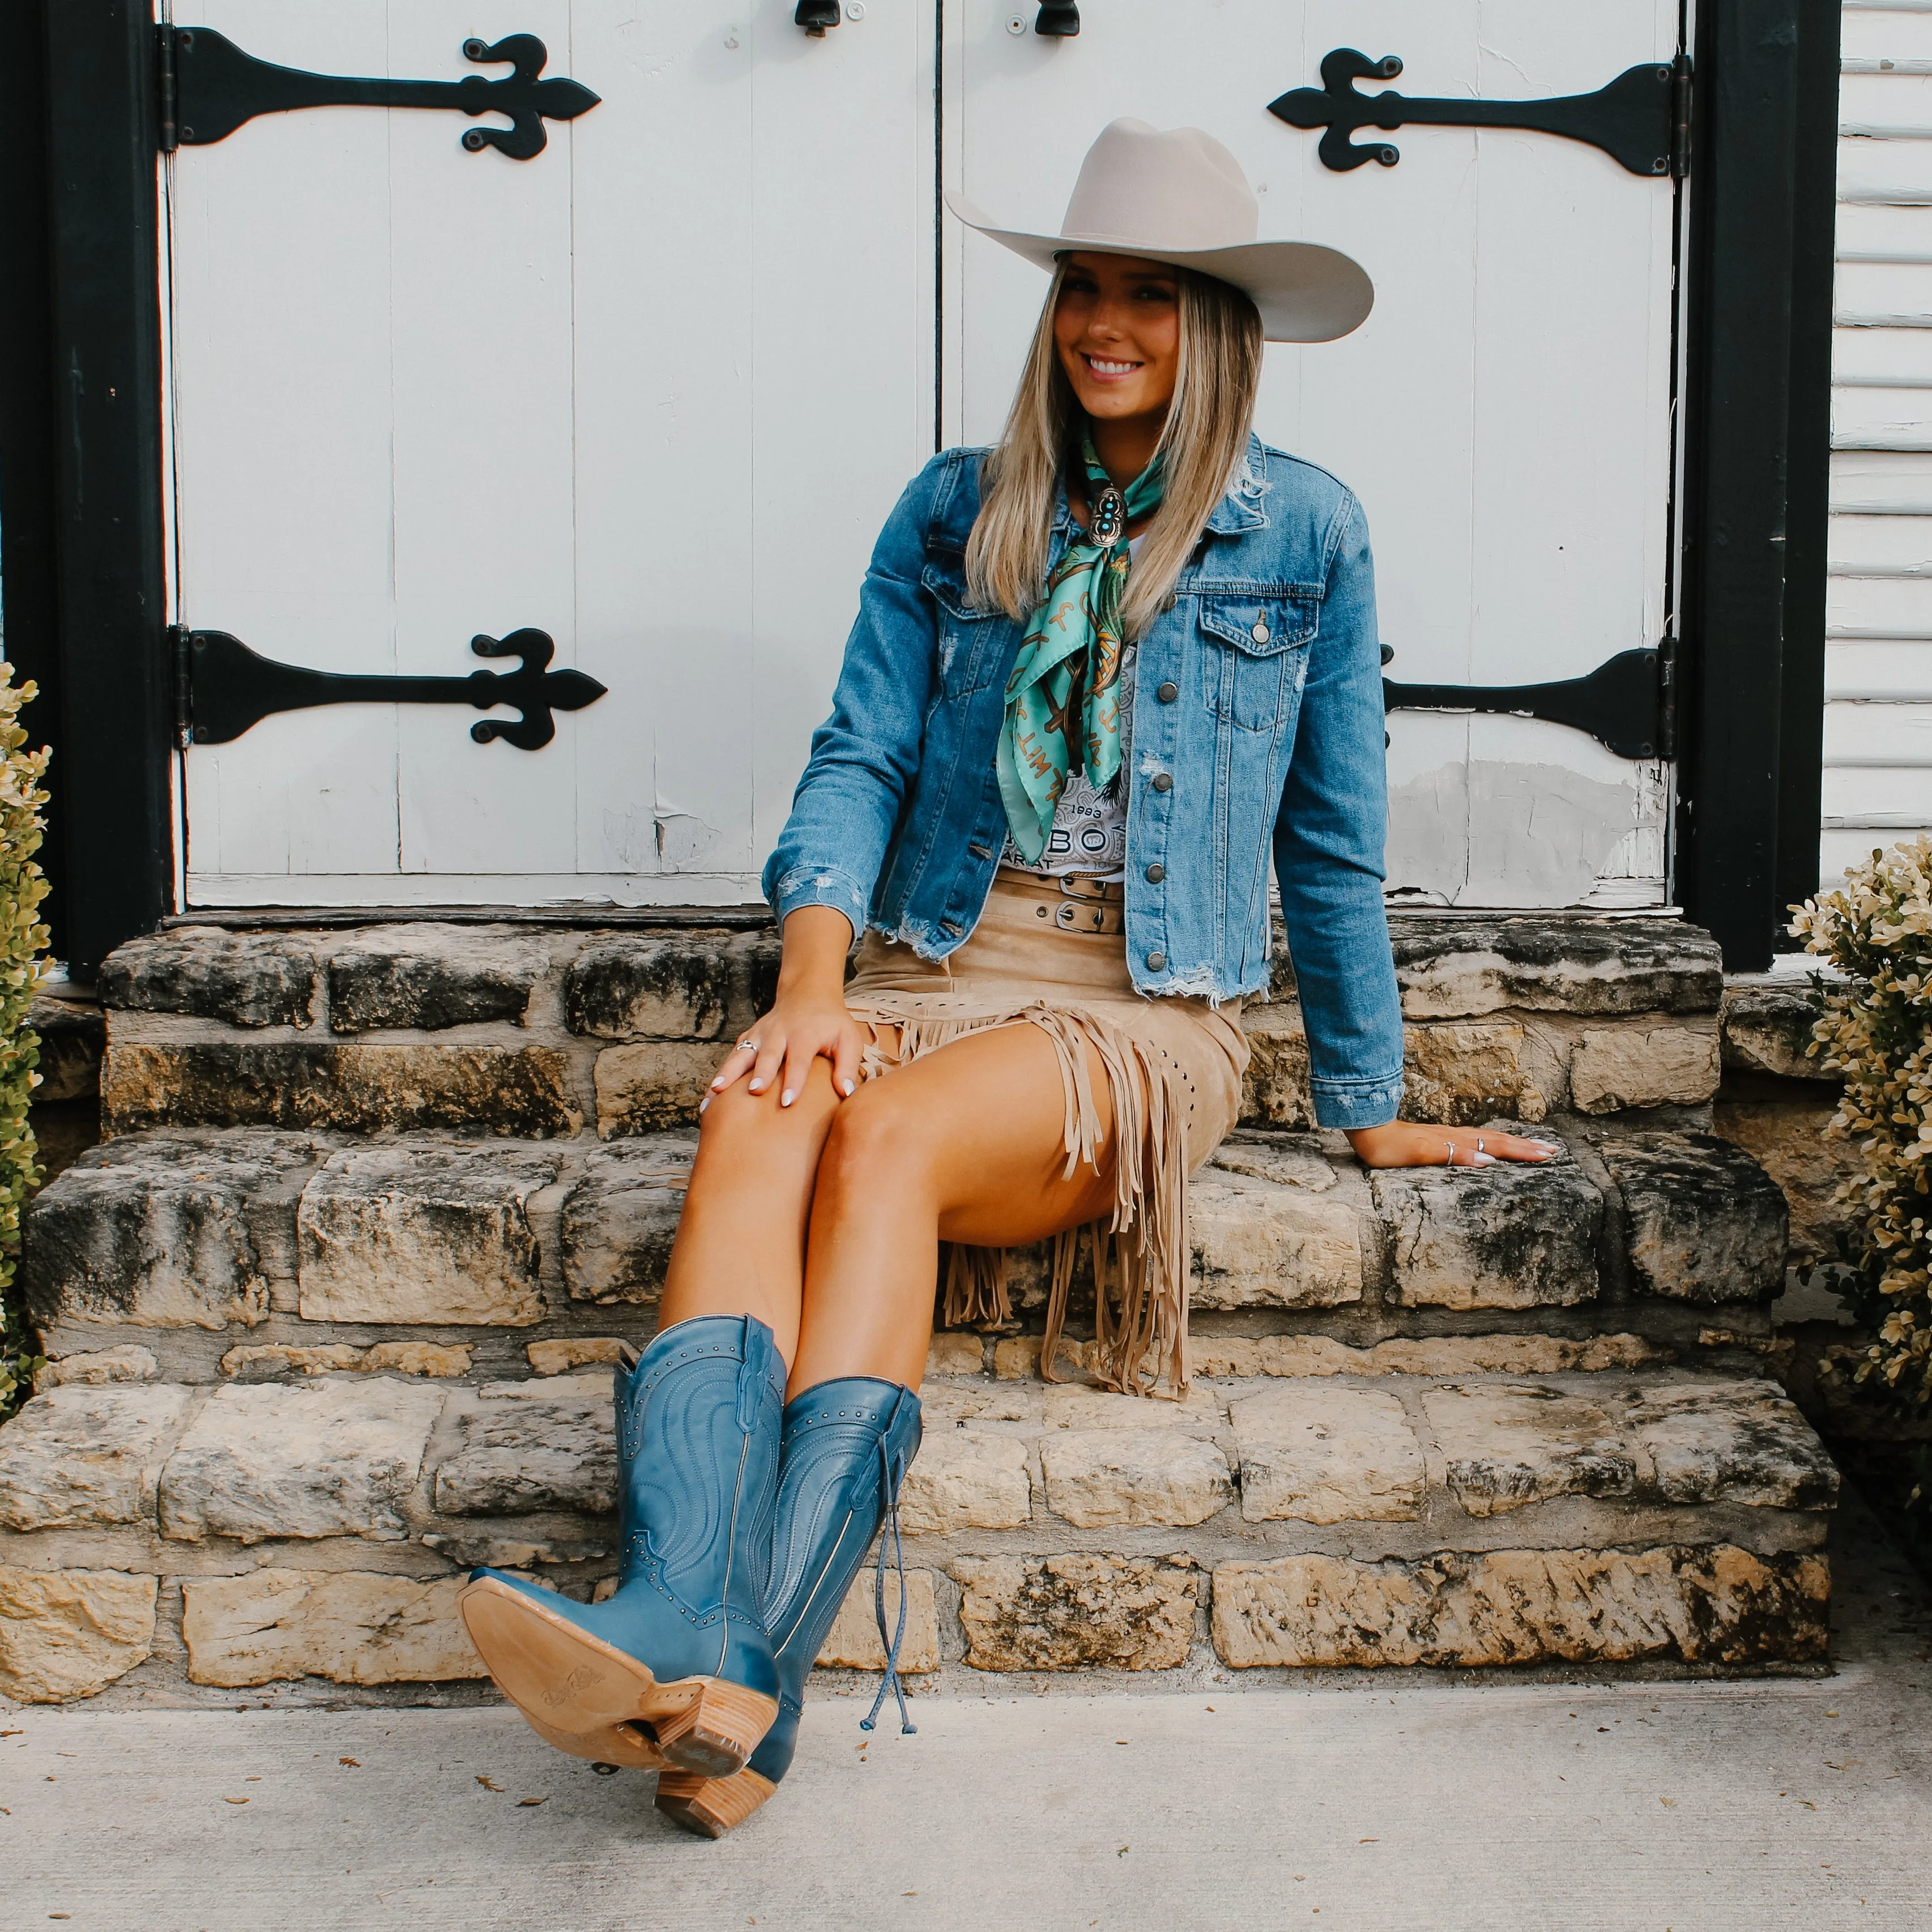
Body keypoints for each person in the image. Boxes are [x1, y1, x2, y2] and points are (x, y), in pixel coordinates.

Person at [459, 117, 1554, 1840]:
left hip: (1134, 1011)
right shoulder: (960, 507)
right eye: (1081, 289)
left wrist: (1372, 1103)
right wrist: (810, 987)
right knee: (764, 1118)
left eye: (1153, 297)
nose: (1106, 324)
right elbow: (858, 760)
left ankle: (745, 1678)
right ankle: (689, 1635)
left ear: (1220, 330)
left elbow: (1332, 842)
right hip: (925, 959)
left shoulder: (1304, 533)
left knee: (881, 1140)